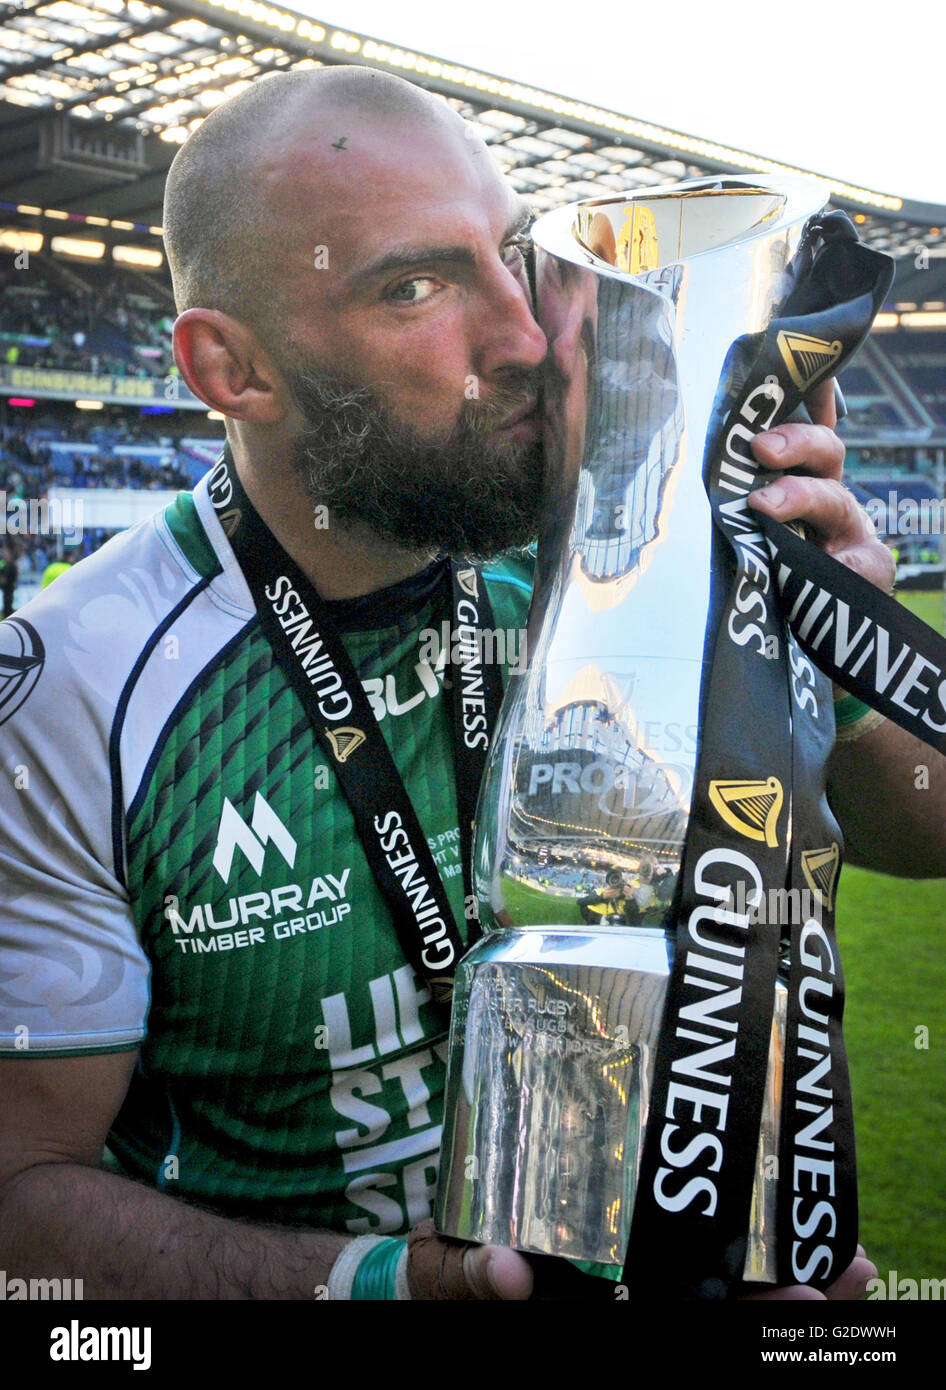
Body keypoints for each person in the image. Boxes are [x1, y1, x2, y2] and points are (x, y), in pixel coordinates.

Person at [0, 67, 921, 1303]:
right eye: (415, 285)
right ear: (233, 367)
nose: (529, 337)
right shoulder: (80, 687)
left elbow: (930, 830)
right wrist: (390, 1285)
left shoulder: (627, 558)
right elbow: (24, 1187)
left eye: (513, 256)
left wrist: (820, 654)